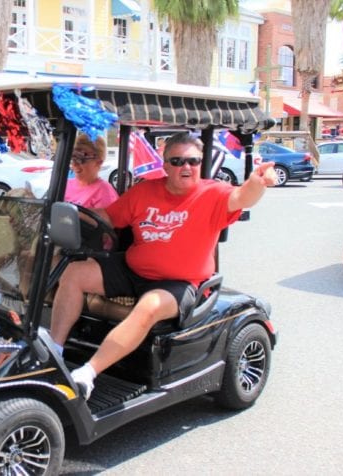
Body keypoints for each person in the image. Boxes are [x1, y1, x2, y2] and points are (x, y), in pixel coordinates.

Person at [50, 133, 277, 399]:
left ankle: (87, 375)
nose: (186, 167)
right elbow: (108, 218)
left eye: (192, 161)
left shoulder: (213, 193)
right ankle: (55, 349)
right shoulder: (144, 191)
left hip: (178, 283)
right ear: (165, 165)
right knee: (74, 273)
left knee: (149, 307)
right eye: (177, 161)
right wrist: (66, 214)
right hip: (133, 268)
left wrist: (257, 182)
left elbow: (242, 197)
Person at [64, 134, 118, 209]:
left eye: (81, 158)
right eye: (73, 158)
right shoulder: (64, 185)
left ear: (98, 162)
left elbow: (105, 220)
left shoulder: (104, 192)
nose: (75, 164)